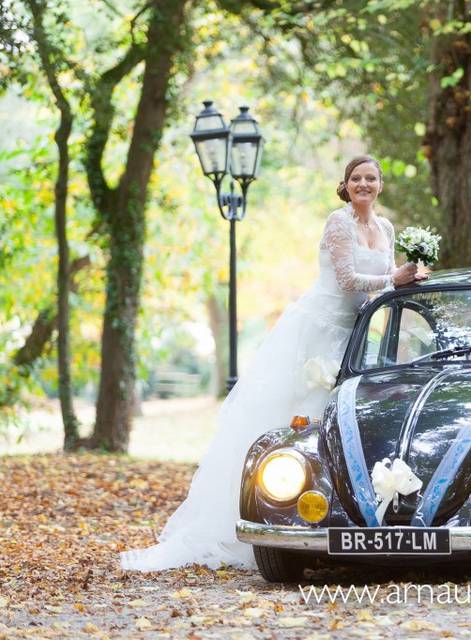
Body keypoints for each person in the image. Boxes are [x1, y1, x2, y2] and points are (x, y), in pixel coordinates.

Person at [120, 155, 426, 570]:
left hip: (356, 331)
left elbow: (387, 276)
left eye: (371, 178)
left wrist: (408, 276)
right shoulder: (338, 223)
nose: (364, 184)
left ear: (380, 184)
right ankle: (288, 509)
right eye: (356, 178)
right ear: (346, 184)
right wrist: (393, 279)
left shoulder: (386, 228)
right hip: (319, 329)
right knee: (307, 411)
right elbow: (346, 280)